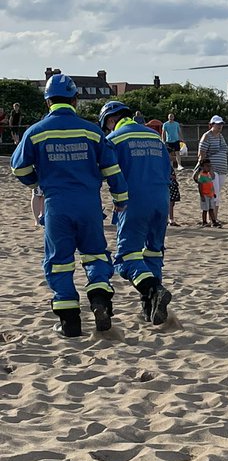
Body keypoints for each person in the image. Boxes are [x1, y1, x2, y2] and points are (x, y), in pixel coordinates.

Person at [10, 73, 128, 337]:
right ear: (75, 100)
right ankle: (99, 298)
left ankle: (70, 323)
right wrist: (120, 199)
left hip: (56, 205)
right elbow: (112, 169)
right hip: (89, 204)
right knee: (95, 255)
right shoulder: (91, 130)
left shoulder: (35, 132)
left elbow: (19, 168)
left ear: (47, 101)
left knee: (59, 261)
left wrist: (37, 182)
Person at [99, 100, 173, 325]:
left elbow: (103, 172)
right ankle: (150, 309)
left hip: (134, 201)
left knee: (126, 257)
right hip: (161, 201)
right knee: (153, 253)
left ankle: (154, 290)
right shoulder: (154, 137)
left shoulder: (114, 139)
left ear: (111, 120)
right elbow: (168, 170)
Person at [198, 115, 228, 225]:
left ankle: (214, 217)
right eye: (217, 124)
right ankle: (213, 218)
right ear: (211, 125)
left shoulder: (220, 136)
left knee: (216, 193)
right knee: (213, 193)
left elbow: (224, 149)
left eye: (221, 124)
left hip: (221, 169)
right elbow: (202, 154)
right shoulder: (207, 136)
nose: (220, 126)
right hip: (212, 169)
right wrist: (206, 170)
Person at [194, 158, 217, 227]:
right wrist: (202, 195)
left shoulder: (208, 175)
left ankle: (214, 221)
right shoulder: (202, 176)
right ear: (202, 167)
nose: (208, 168)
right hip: (205, 195)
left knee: (211, 209)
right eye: (207, 166)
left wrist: (214, 193)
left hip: (210, 195)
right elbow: (200, 186)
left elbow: (211, 184)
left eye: (209, 166)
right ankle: (204, 221)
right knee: (205, 209)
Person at [168, 150, 181, 225]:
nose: (174, 157)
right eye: (172, 155)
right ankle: (171, 219)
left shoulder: (169, 165)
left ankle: (170, 218)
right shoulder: (164, 165)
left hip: (173, 186)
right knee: (170, 203)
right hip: (169, 186)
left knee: (172, 203)